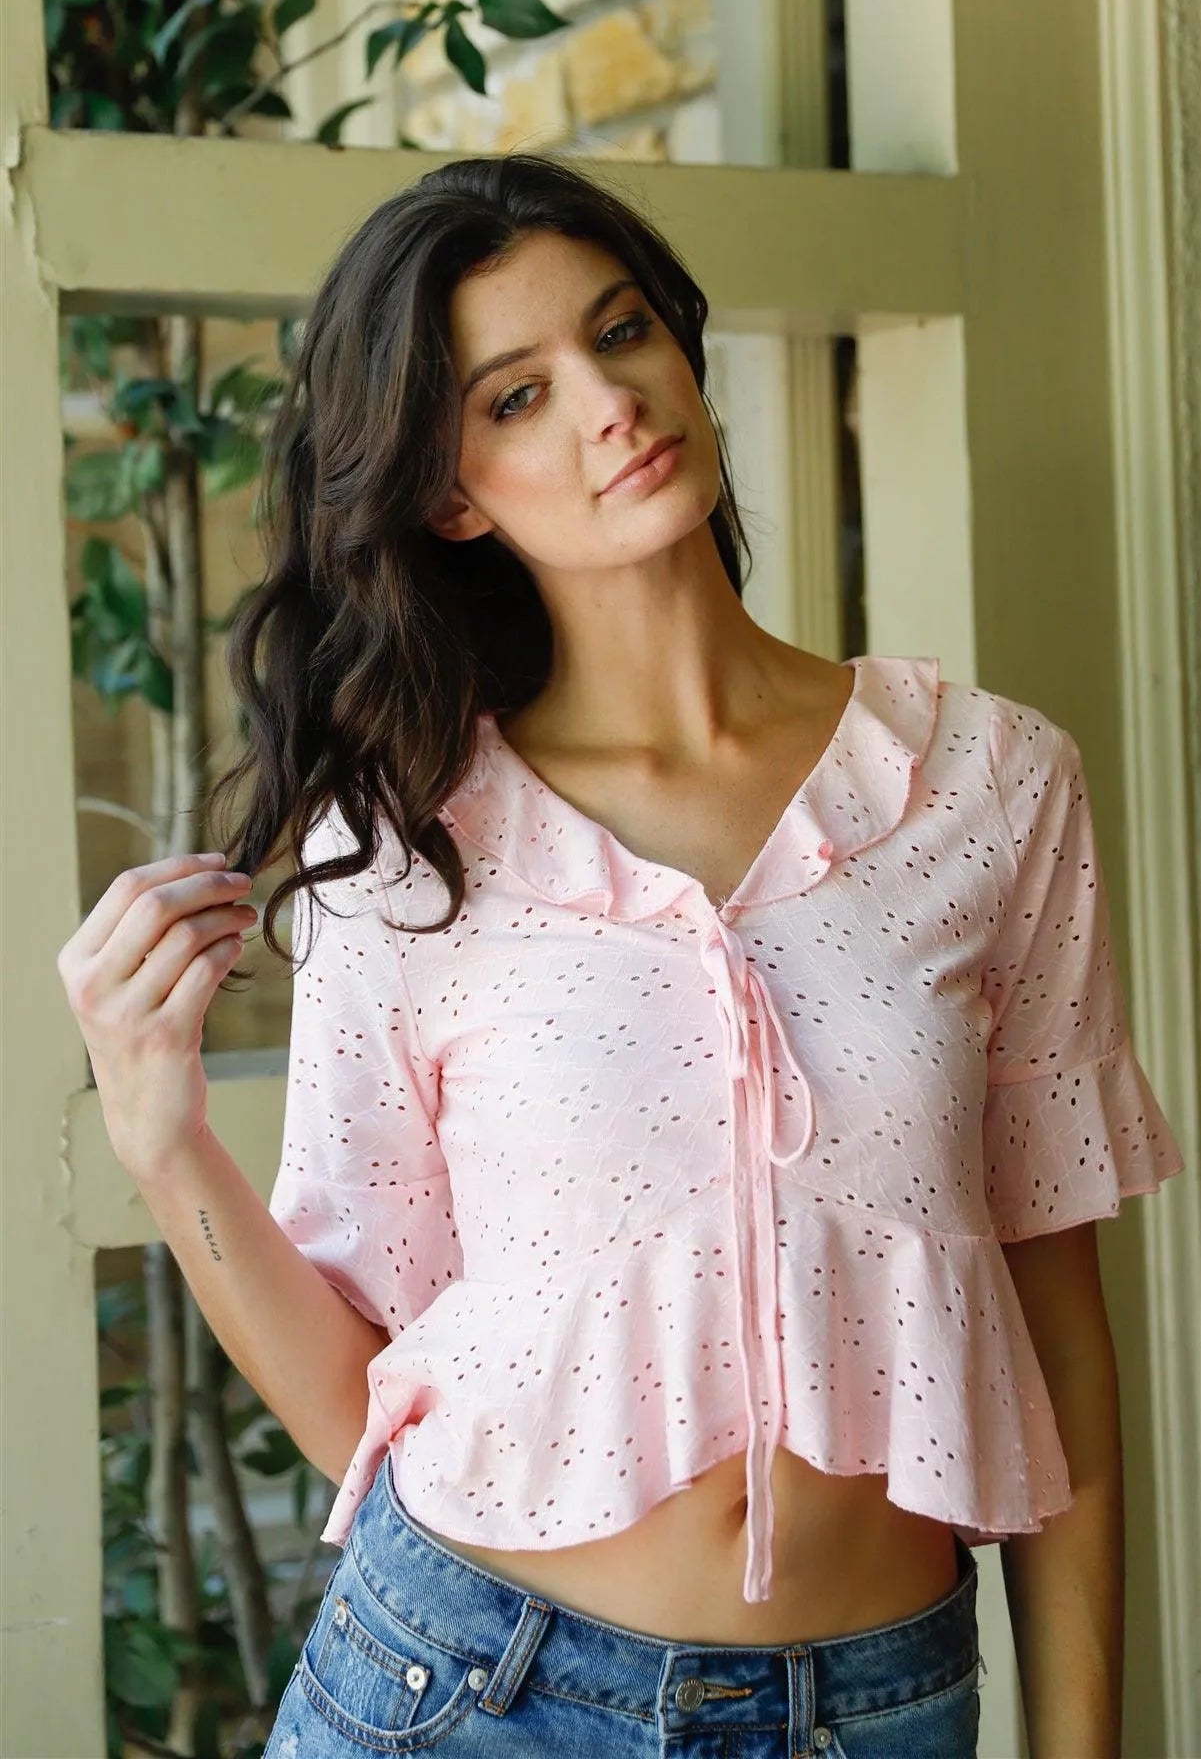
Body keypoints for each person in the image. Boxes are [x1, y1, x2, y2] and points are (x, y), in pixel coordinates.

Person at [58, 154, 1186, 1758]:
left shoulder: (988, 785)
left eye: (622, 330)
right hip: (473, 1690)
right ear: (451, 494)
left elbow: (1058, 1324)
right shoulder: (408, 847)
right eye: (516, 396)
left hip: (875, 1709)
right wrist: (158, 1137)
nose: (608, 403)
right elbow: (356, 1406)